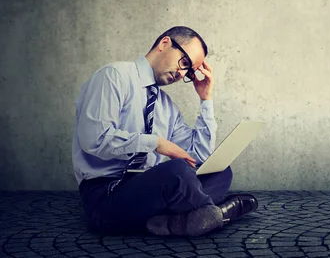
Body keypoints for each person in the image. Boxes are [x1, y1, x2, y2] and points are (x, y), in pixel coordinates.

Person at [72, 26, 257, 236]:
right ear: (164, 43)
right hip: (106, 196)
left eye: (189, 71)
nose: (183, 74)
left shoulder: (166, 106)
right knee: (176, 172)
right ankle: (213, 214)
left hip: (146, 191)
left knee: (219, 171)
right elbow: (93, 139)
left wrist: (206, 98)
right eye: (184, 62)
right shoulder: (114, 76)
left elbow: (199, 155)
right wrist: (156, 143)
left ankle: (174, 220)